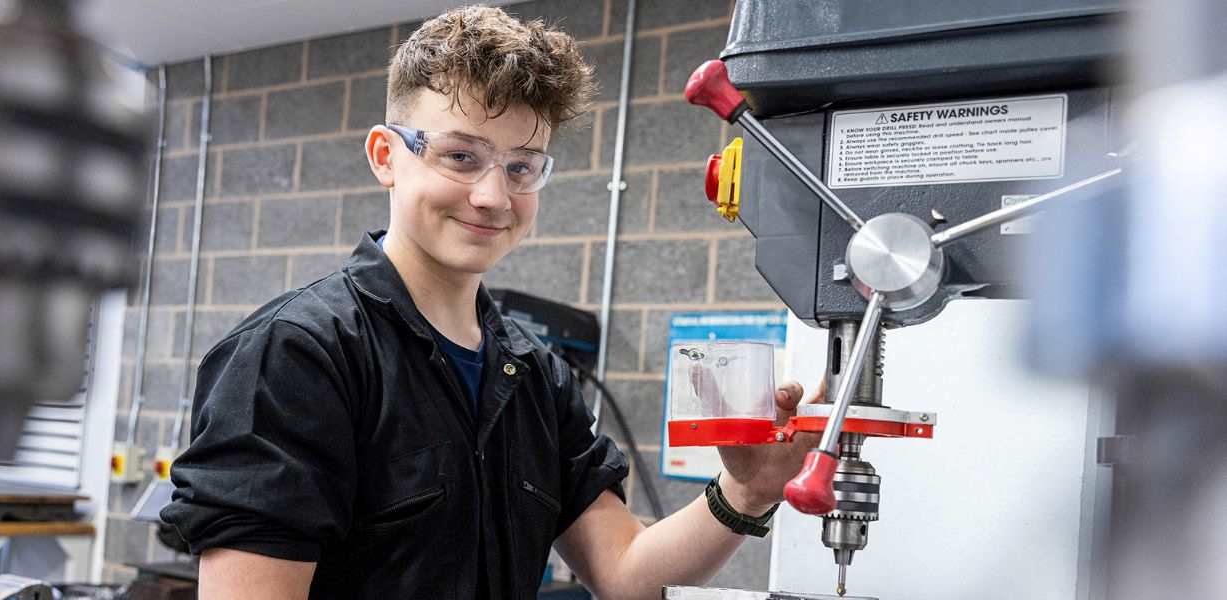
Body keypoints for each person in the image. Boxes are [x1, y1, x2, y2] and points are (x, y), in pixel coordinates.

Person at [161, 6, 822, 599]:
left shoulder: (533, 374)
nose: (492, 196)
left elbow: (624, 571)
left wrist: (747, 490)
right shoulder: (299, 355)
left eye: (521, 166)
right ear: (386, 157)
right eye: (459, 156)